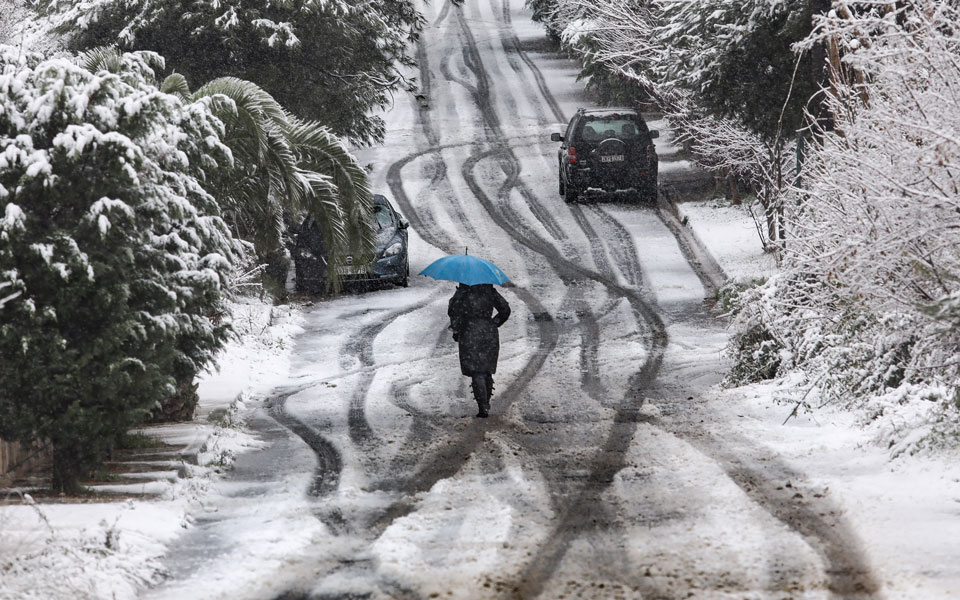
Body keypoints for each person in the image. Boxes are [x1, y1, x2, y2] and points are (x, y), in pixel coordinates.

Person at [447, 283, 511, 417]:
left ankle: (482, 406)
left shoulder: (463, 292)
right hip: (489, 332)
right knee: (486, 369)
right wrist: (494, 323)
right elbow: (505, 310)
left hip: (469, 332)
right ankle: (485, 402)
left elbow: (453, 311)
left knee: (476, 371)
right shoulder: (490, 291)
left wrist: (456, 329)